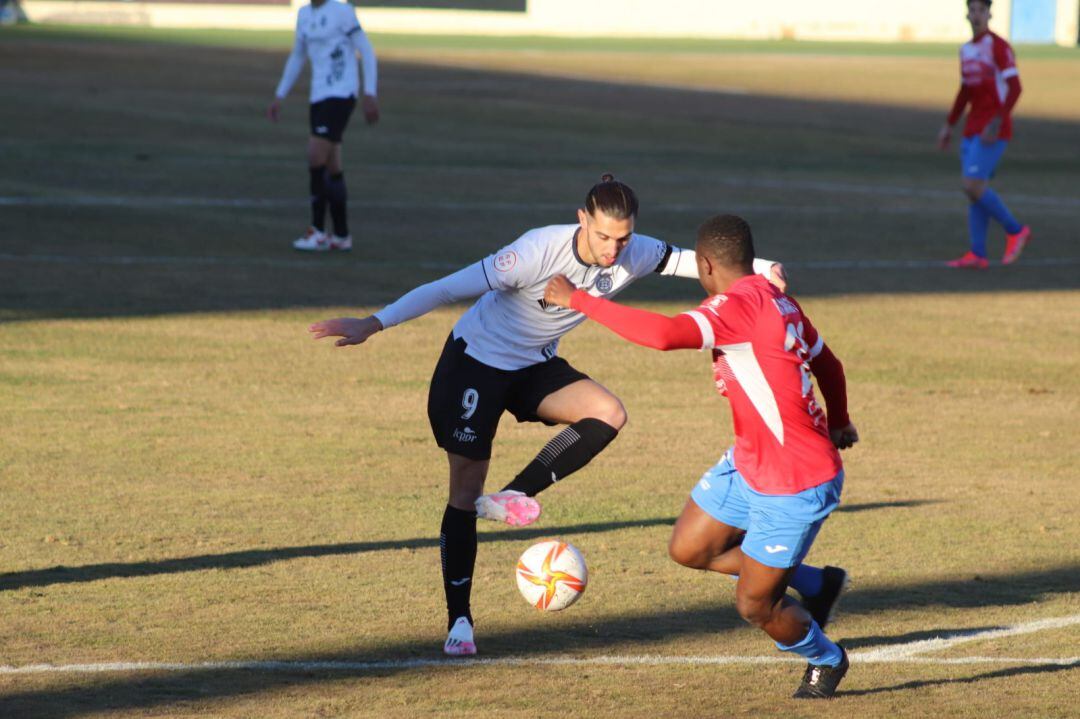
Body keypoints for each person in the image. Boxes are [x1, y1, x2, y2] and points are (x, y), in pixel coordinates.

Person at [309, 176, 786, 656]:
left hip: (532, 365)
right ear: (583, 220)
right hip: (474, 364)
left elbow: (689, 260)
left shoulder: (633, 251)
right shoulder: (535, 250)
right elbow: (446, 287)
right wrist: (373, 323)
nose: (614, 249)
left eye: (623, 238)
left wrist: (765, 268)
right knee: (464, 493)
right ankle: (460, 620)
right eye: (603, 236)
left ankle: (516, 493)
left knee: (608, 412)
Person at [543, 214, 858, 699]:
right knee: (689, 549)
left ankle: (827, 658)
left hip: (795, 482)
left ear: (706, 264)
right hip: (750, 461)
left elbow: (665, 335)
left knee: (755, 605)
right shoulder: (776, 298)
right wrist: (838, 419)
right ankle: (817, 584)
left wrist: (576, 299)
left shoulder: (737, 307)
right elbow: (827, 363)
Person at [268, 0, 380, 252]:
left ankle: (317, 231)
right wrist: (279, 95)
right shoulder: (303, 15)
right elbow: (298, 55)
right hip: (318, 96)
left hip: (341, 93)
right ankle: (341, 235)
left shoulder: (343, 12)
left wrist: (370, 92)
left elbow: (367, 50)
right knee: (332, 165)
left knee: (315, 155)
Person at [937, 0, 1030, 269]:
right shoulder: (966, 50)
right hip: (971, 128)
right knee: (975, 191)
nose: (976, 14)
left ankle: (1015, 230)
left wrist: (998, 120)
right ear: (967, 13)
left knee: (971, 185)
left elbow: (1015, 88)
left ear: (990, 13)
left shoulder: (998, 47)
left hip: (992, 130)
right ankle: (978, 254)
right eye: (973, 9)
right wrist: (949, 125)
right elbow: (965, 91)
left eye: (981, 9)